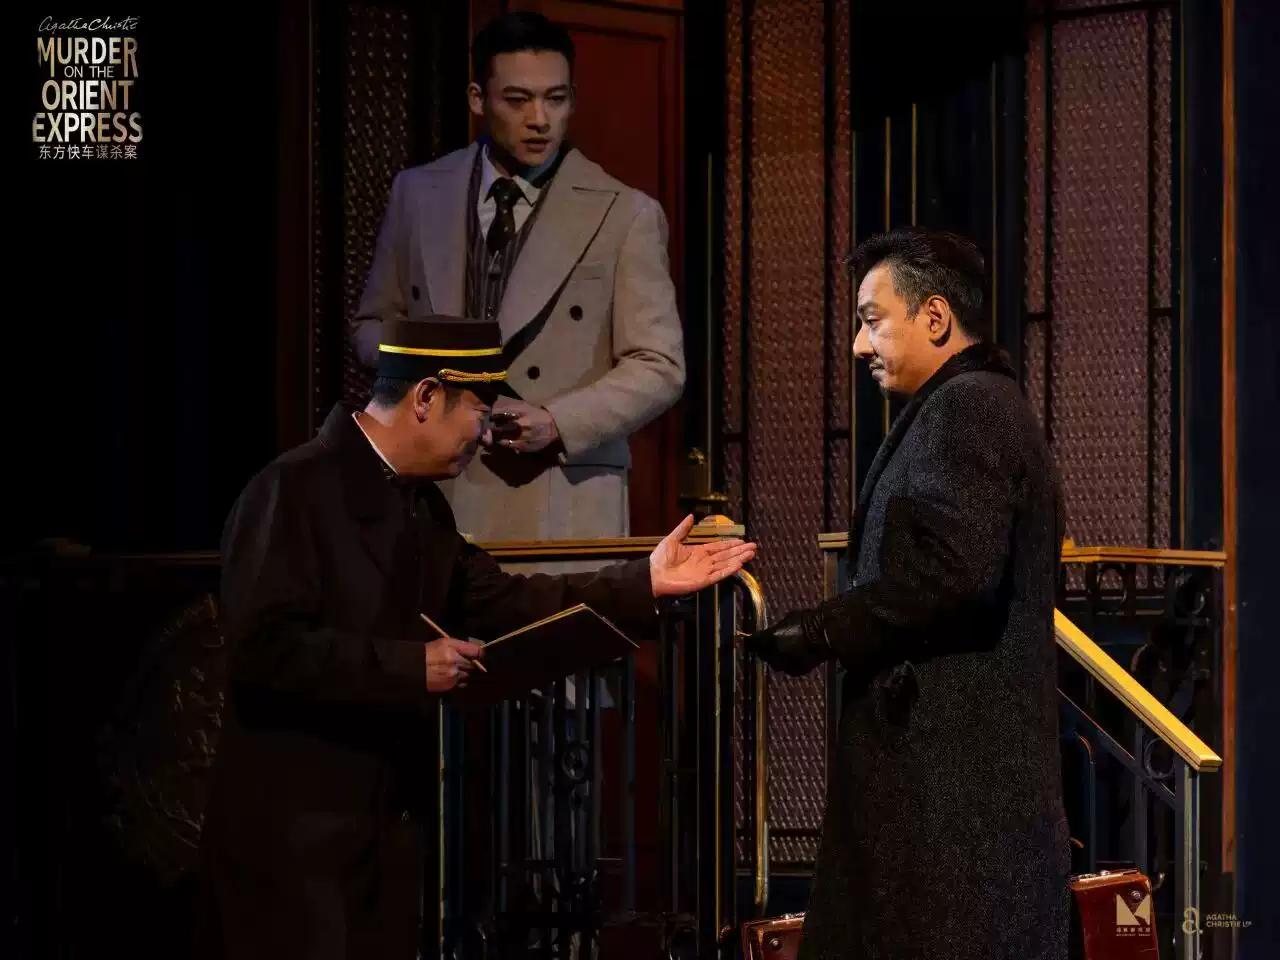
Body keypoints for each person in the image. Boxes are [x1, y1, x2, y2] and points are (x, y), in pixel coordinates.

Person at [198, 316, 753, 960]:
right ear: (426, 397)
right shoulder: (291, 489)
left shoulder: (422, 507)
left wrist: (643, 582)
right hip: (293, 847)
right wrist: (410, 668)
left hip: (380, 842)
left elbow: (504, 603)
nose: (485, 435)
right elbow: (262, 650)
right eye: (480, 413)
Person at [745, 228, 1070, 960]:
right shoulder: (966, 405)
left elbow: (951, 575)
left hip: (953, 811)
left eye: (872, 320)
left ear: (935, 317)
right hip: (949, 808)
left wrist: (821, 631)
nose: (859, 346)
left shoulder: (970, 407)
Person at [352, 12, 684, 548]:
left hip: (559, 495)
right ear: (477, 99)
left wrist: (557, 420)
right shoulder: (417, 195)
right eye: (518, 99)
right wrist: (434, 372)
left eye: (556, 99)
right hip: (434, 487)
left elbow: (660, 365)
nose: (539, 119)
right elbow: (371, 327)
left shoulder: (625, 213)